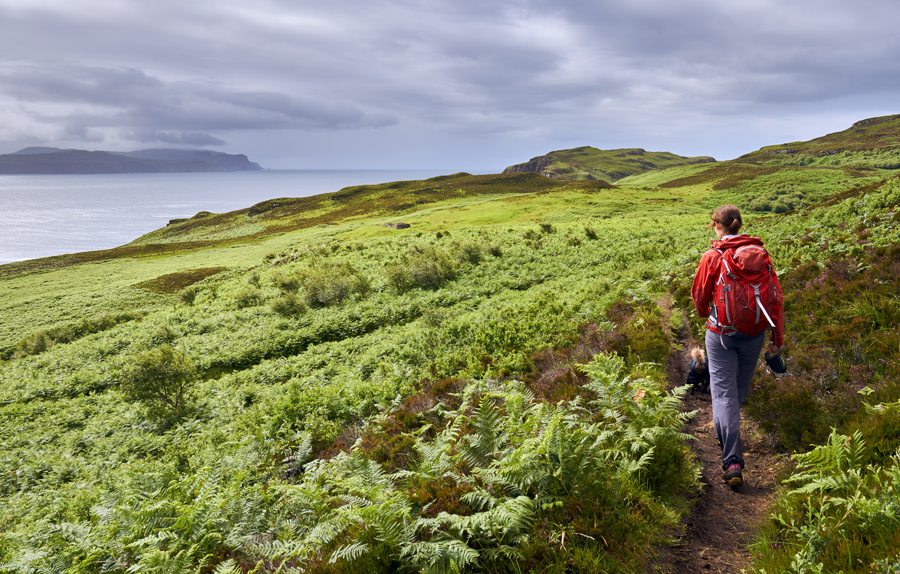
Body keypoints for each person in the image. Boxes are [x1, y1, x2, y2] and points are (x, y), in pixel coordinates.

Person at [691, 205, 784, 487]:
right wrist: (776, 340)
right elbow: (776, 300)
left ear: (718, 226)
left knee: (724, 397)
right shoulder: (761, 256)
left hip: (721, 335)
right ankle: (729, 432)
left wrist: (706, 312)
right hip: (755, 336)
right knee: (736, 395)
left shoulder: (713, 256)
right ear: (739, 225)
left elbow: (699, 297)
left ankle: (732, 460)